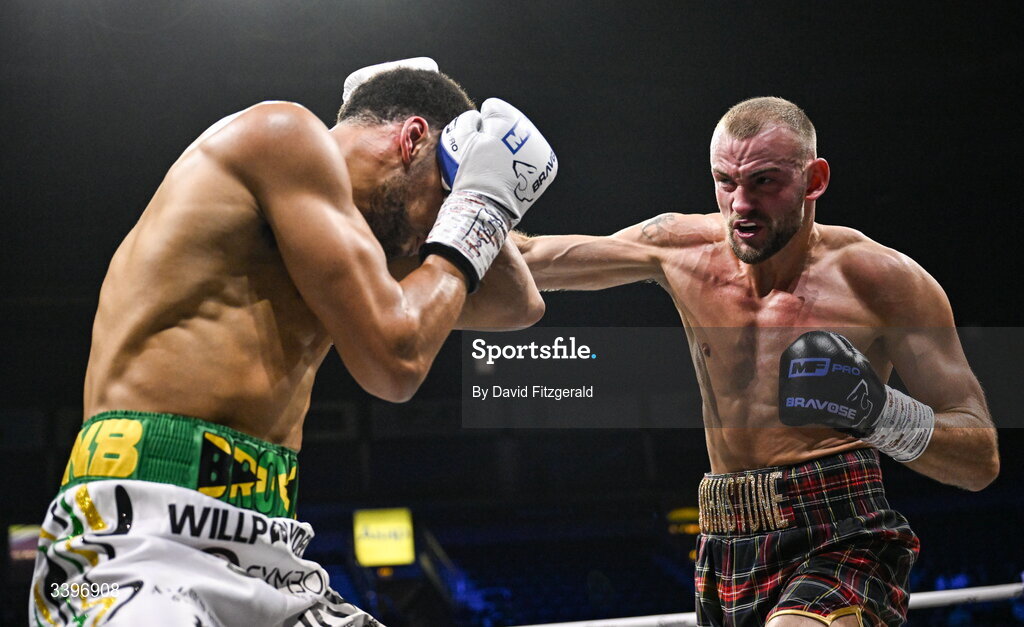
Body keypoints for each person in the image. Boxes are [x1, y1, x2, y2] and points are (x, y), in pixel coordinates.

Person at [29, 57, 557, 626]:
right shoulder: (281, 133)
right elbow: (397, 361)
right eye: (441, 199)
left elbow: (516, 303)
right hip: (137, 533)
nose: (436, 229)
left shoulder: (349, 241)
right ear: (411, 139)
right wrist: (478, 207)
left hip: (270, 550)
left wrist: (477, 194)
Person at [514, 96, 998, 626]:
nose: (740, 204)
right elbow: (533, 261)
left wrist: (877, 411)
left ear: (814, 180)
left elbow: (979, 460)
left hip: (839, 528)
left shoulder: (883, 281)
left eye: (764, 181)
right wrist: (459, 206)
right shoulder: (680, 248)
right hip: (724, 536)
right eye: (725, 181)